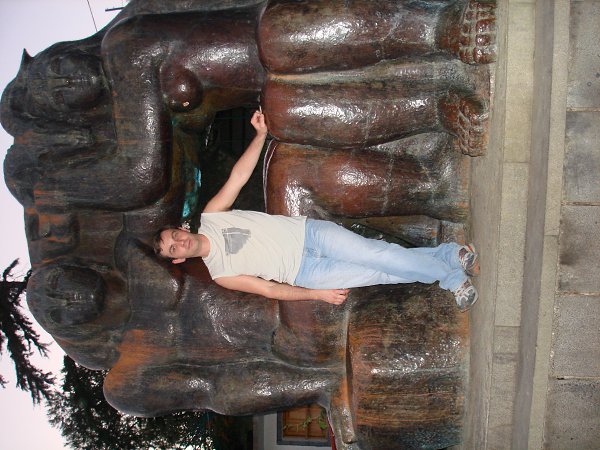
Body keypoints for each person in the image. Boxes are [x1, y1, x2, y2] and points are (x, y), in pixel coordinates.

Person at [154, 111, 479, 311]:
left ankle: (451, 276)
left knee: (379, 255)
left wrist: (261, 135)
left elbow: (238, 177)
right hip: (305, 273)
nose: (178, 243)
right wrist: (316, 294)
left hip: (309, 235)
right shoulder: (221, 274)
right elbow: (269, 289)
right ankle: (450, 256)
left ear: (180, 229)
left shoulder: (212, 216)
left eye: (173, 237)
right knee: (380, 272)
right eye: (173, 250)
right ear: (178, 259)